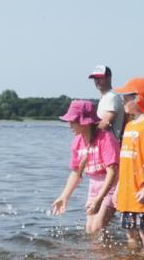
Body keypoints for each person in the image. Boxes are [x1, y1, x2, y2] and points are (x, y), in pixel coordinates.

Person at [50, 100, 119, 234]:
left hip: (112, 187)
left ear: (85, 122)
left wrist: (99, 200)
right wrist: (64, 196)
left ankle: (110, 252)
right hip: (93, 188)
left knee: (97, 227)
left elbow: (112, 172)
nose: (70, 125)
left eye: (73, 121)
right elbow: (76, 172)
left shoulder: (105, 138)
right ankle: (102, 254)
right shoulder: (77, 142)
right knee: (89, 230)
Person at [113, 77, 144, 256]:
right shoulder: (130, 125)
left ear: (138, 98)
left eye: (126, 97)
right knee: (130, 234)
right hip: (127, 192)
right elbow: (125, 161)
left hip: (142, 192)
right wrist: (118, 188)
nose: (123, 100)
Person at [88, 65, 126, 142]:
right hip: (105, 144)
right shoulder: (106, 97)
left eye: (100, 77)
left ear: (109, 78)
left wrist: (88, 138)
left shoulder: (111, 97)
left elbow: (105, 123)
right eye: (95, 78)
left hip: (109, 145)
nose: (97, 81)